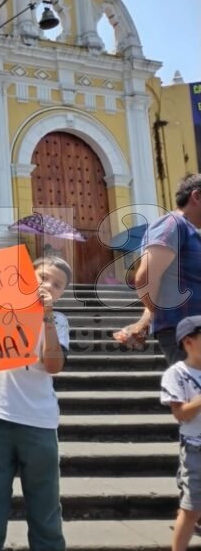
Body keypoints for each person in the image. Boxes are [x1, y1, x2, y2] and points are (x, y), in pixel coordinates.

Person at [0, 255, 73, 551]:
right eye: (43, 278)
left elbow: (53, 365)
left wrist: (46, 317)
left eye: (57, 285)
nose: (48, 286)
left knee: (45, 507)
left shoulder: (59, 321)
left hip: (39, 424)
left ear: (62, 294)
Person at [134, 174, 201, 366]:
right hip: (188, 333)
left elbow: (162, 284)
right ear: (196, 196)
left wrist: (146, 319)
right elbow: (146, 278)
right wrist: (158, 313)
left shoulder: (189, 231)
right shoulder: (173, 223)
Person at [160, 315, 201, 551]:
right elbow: (180, 414)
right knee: (191, 509)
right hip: (195, 447)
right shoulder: (177, 373)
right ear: (188, 341)